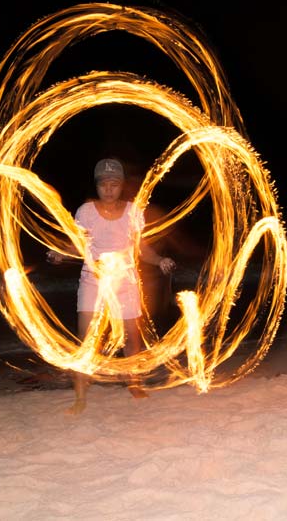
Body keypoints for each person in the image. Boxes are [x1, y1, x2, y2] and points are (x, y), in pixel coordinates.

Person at [47, 157, 177, 414]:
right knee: (86, 342)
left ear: (122, 186)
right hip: (92, 281)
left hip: (125, 282)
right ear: (97, 185)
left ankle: (134, 384)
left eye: (114, 183)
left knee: (132, 338)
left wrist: (160, 260)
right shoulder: (85, 212)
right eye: (103, 183)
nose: (108, 188)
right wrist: (60, 253)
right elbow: (77, 244)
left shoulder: (133, 212)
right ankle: (81, 397)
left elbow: (142, 249)